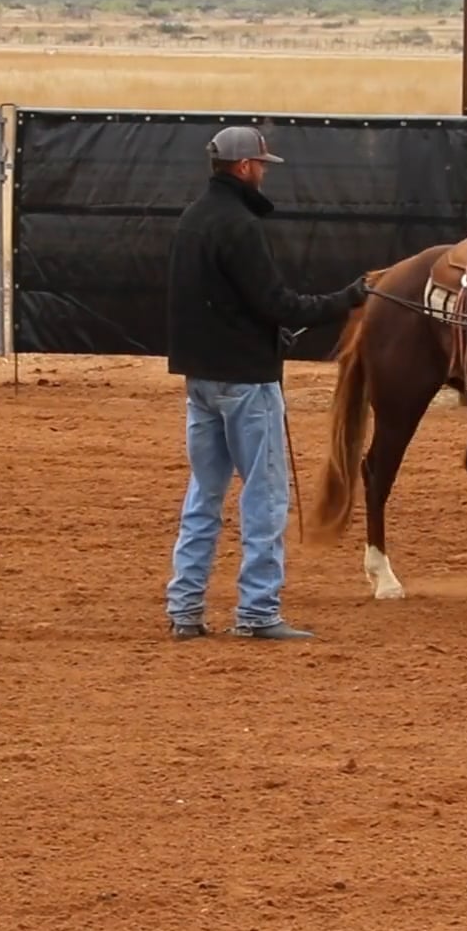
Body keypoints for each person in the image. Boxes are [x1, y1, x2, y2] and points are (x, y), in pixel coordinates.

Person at [161, 125, 370, 641]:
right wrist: (347, 298)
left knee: (204, 496)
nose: (264, 172)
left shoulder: (193, 220)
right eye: (261, 165)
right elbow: (276, 303)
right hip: (246, 382)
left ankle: (185, 609)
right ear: (243, 168)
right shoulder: (240, 227)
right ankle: (256, 612)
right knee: (265, 497)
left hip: (201, 380)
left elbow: (212, 302)